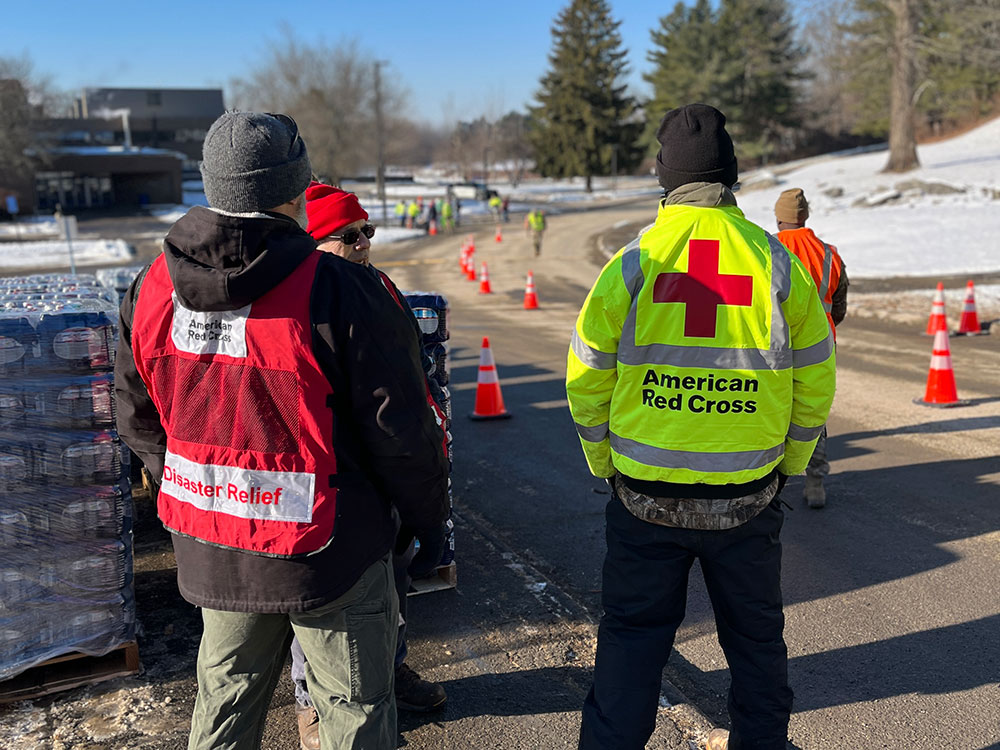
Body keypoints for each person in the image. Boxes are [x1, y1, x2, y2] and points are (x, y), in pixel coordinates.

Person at [115, 112, 450, 750]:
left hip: (216, 549)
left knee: (224, 703)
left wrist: (190, 487)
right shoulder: (343, 290)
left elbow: (136, 412)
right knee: (353, 711)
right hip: (331, 554)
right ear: (296, 192)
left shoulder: (151, 288)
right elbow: (402, 433)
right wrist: (426, 524)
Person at [566, 103, 836, 750]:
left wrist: (603, 461)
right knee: (756, 648)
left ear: (666, 178)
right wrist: (790, 467)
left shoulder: (632, 264)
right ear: (732, 177)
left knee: (630, 648)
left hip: (644, 500)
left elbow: (586, 378)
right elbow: (815, 381)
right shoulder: (776, 264)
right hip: (747, 501)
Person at [284, 181, 449, 749]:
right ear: (309, 243)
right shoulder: (303, 298)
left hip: (382, 479)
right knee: (323, 606)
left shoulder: (377, 285)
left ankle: (390, 669)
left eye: (367, 232)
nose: (362, 243)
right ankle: (312, 701)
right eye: (347, 236)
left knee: (391, 589)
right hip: (327, 486)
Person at [774, 188, 848, 509]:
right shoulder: (830, 254)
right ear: (805, 216)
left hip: (775, 345)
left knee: (773, 410)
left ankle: (772, 480)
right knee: (812, 411)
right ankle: (815, 481)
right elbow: (839, 307)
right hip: (820, 347)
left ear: (779, 219)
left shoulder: (768, 249)